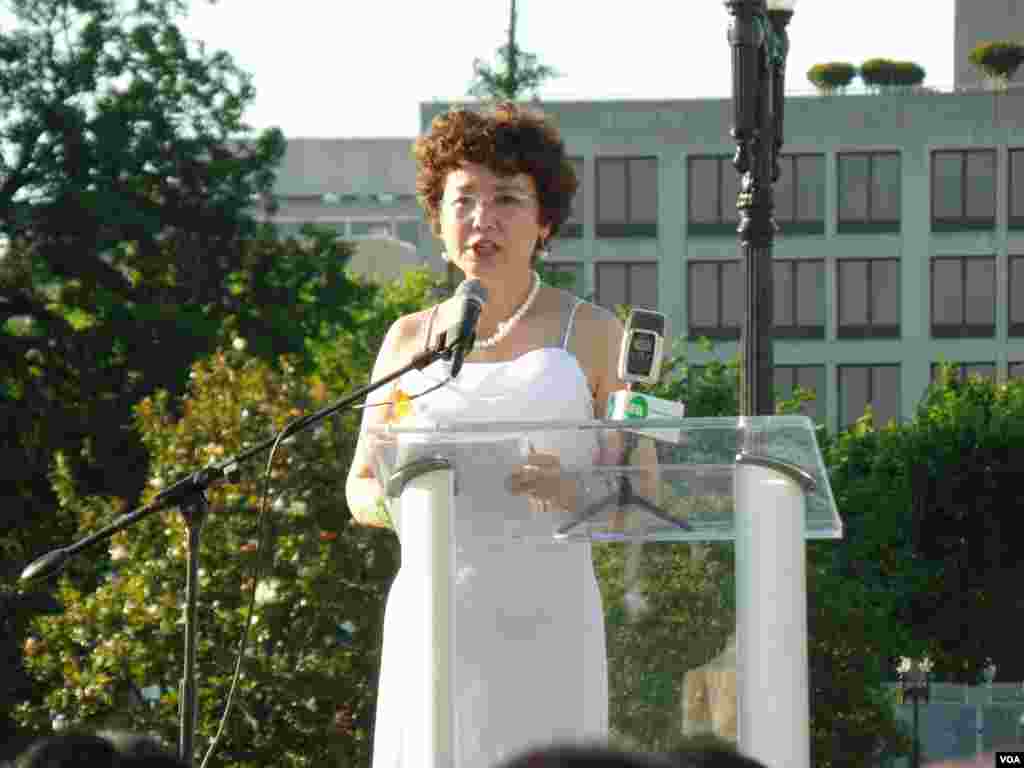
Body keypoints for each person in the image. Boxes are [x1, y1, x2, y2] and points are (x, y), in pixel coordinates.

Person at [345, 102, 628, 768]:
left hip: (548, 621)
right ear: (439, 222)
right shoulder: (407, 339)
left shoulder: (594, 332)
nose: (483, 220)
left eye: (506, 199)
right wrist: (398, 493)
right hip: (432, 614)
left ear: (544, 220)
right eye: (463, 199)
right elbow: (358, 487)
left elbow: (635, 489)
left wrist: (570, 489)